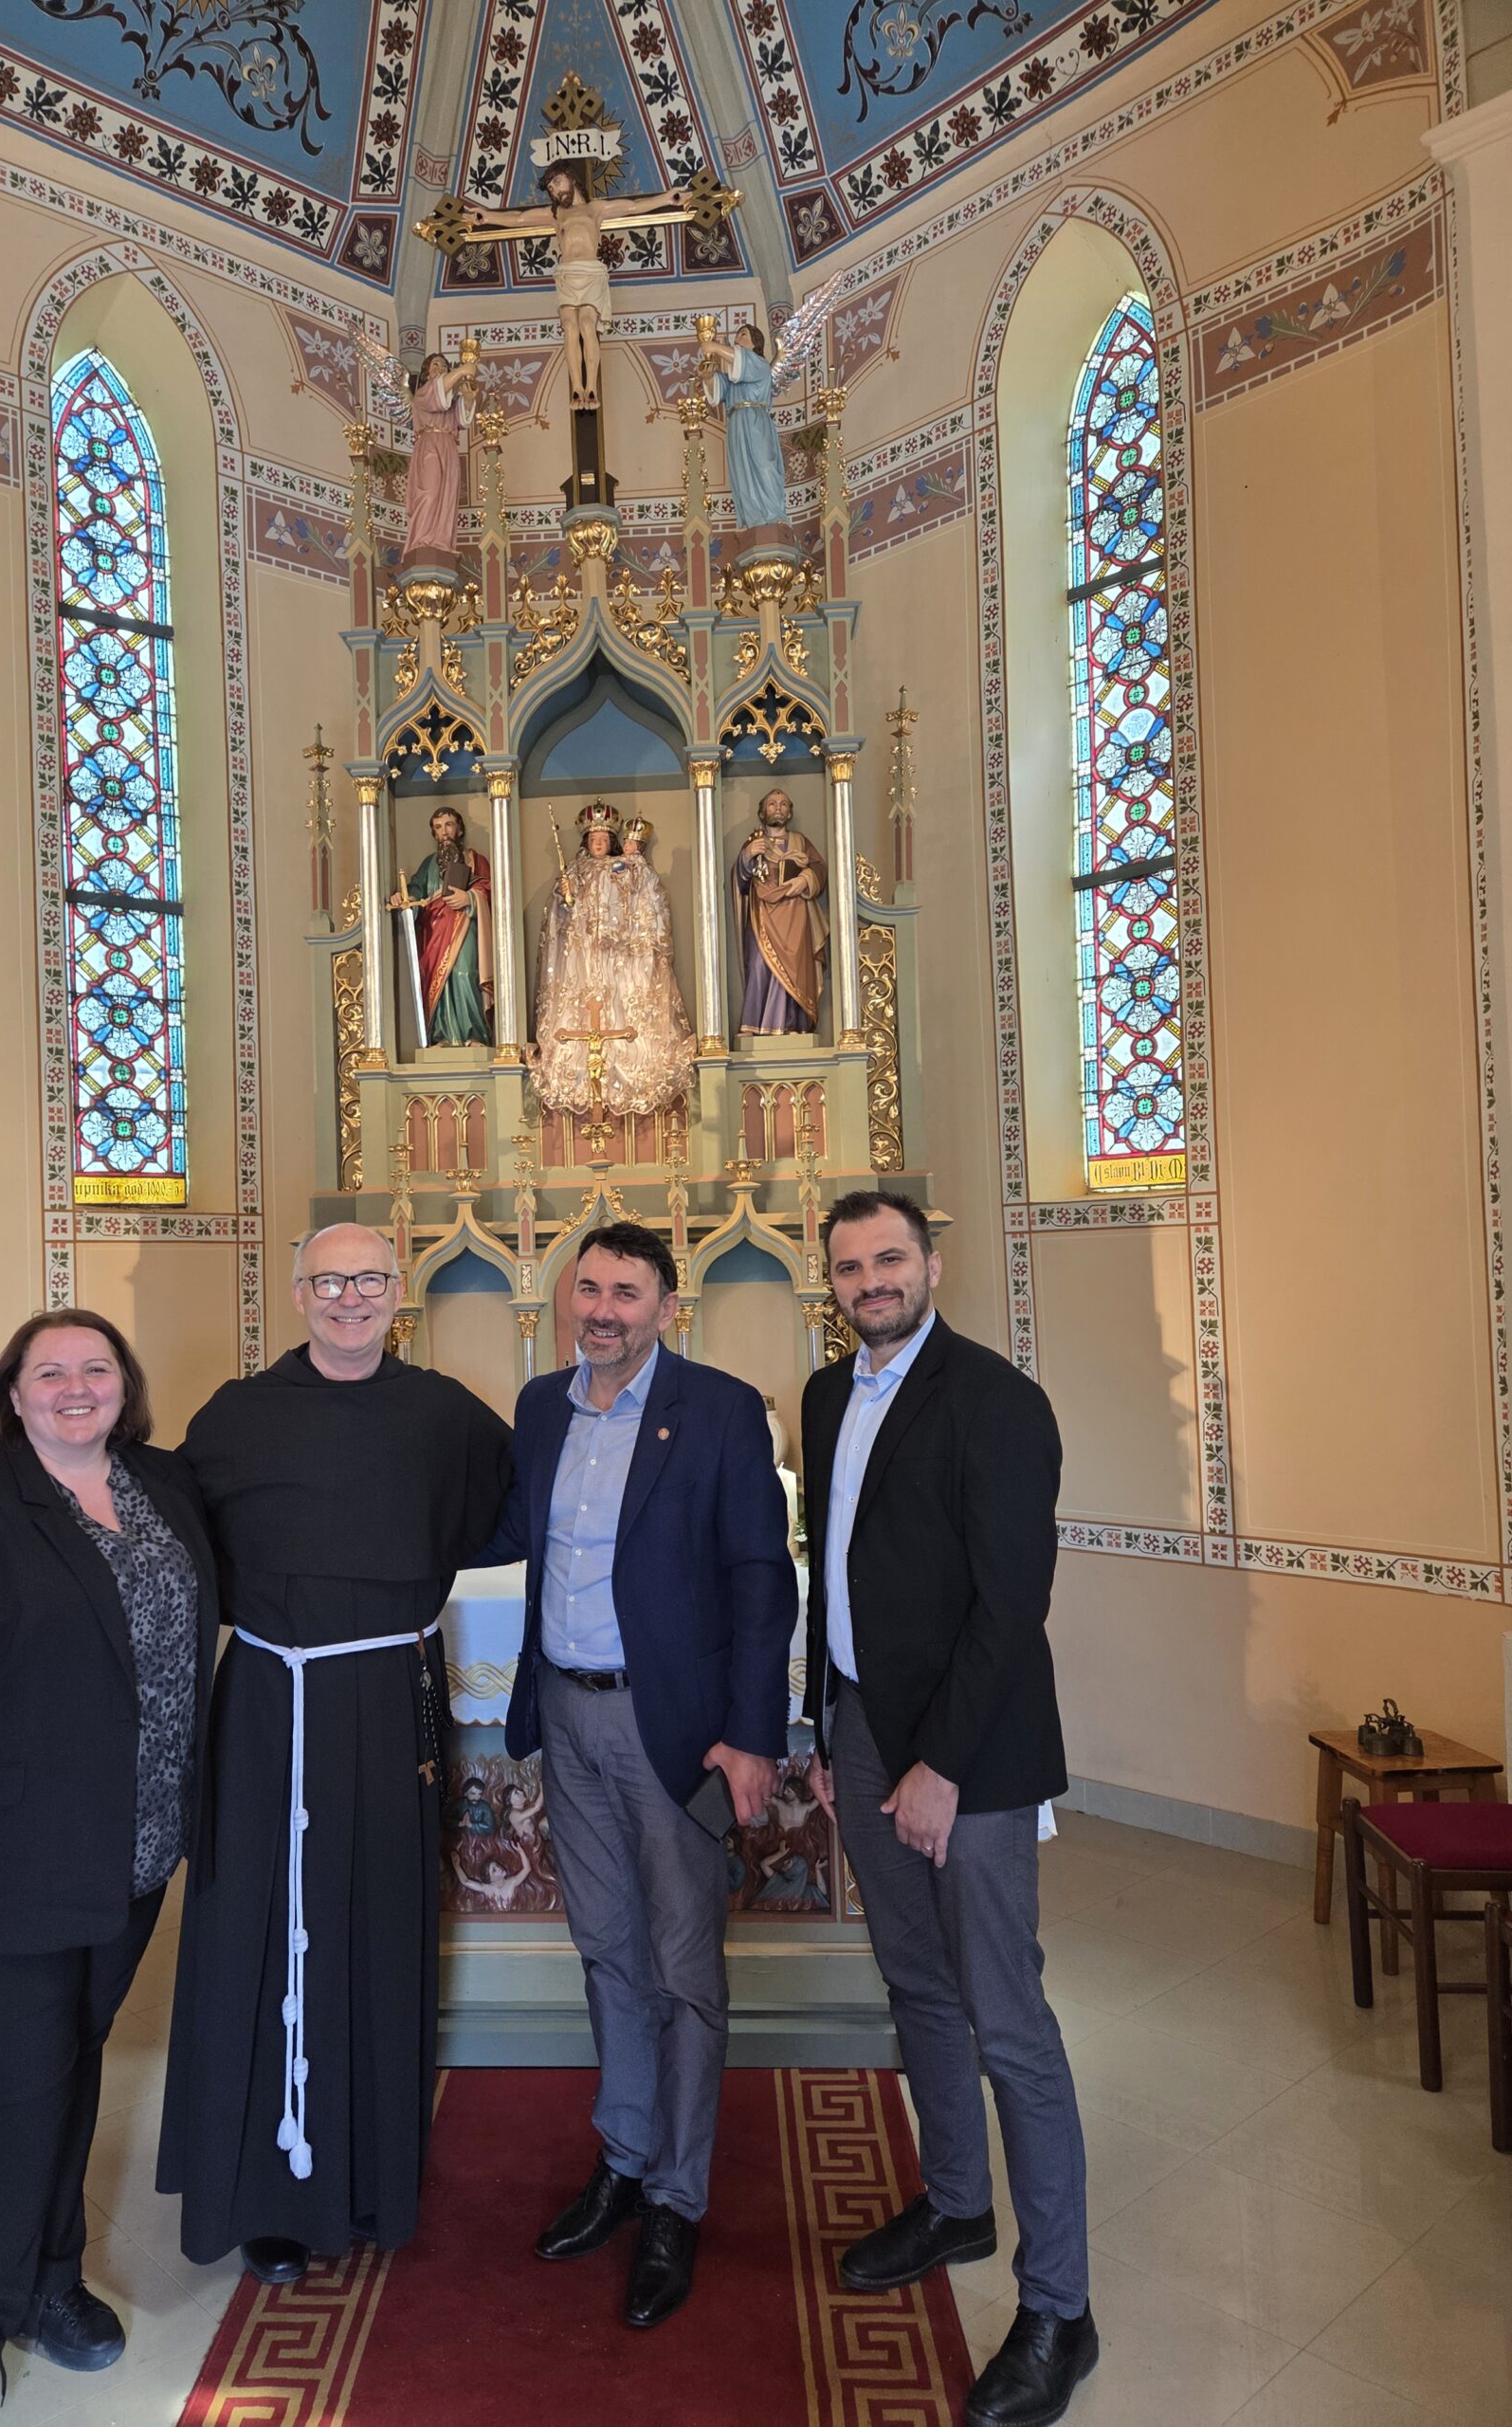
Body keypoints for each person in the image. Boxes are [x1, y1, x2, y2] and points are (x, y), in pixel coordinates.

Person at [0, 1312, 218, 2427]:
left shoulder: (166, 1487)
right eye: (49, 1371)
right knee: (13, 2083)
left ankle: (51, 2279)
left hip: (132, 1851)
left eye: (95, 1368)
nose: (75, 1386)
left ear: (126, 1385)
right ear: (12, 1395)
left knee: (73, 2060)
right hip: (1, 1862)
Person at [156, 1223, 511, 2285]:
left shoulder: (444, 1413)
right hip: (271, 1698)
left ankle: (369, 2177)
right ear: (297, 1292)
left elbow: (506, 1513)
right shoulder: (238, 1413)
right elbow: (178, 1540)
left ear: (398, 1291)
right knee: (257, 1924)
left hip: (389, 1696)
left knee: (375, 1920)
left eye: (367, 1280)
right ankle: (262, 2192)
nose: (349, 1297)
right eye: (328, 1281)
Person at [801, 1193, 1095, 2427]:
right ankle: (959, 2203)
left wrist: (941, 1765)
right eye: (850, 1265)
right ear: (830, 1281)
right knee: (915, 1982)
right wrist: (828, 1726)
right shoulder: (825, 1394)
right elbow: (833, 1572)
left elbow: (1011, 1604)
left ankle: (1060, 2311)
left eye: (890, 1258)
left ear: (931, 1264)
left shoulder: (995, 1400)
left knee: (1008, 2018)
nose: (871, 1279)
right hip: (865, 1727)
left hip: (969, 1753)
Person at [476, 1222, 795, 2327]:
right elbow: (501, 1526)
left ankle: (676, 2197)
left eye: (627, 1292)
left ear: (666, 1306)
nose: (603, 1310)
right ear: (567, 1297)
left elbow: (760, 1578)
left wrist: (751, 1737)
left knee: (682, 1965)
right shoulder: (540, 1407)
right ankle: (623, 2155)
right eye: (590, 1289)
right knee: (606, 1945)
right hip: (567, 1714)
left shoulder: (720, 1409)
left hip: (675, 1727)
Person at [465, 162, 689, 409]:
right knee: (570, 326)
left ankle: (591, 387)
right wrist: (487, 216)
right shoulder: (556, 214)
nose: (555, 191)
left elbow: (633, 207)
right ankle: (577, 387)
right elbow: (519, 219)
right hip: (567, 274)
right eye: (551, 189)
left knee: (586, 324)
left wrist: (667, 198)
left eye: (557, 182)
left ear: (571, 178)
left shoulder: (595, 209)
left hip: (591, 272)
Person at [531, 799, 695, 1118]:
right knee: (580, 1006)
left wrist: (633, 870)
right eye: (593, 839)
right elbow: (560, 918)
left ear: (612, 843)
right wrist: (563, 895)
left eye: (604, 840)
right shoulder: (575, 871)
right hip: (582, 954)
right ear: (586, 842)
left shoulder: (623, 868)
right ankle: (576, 1069)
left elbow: (643, 899)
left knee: (621, 1002)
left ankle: (628, 1061)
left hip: (618, 954)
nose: (598, 844)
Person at [388, 804, 494, 1046]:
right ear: (434, 833)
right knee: (438, 982)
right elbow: (415, 891)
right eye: (438, 827)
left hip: (465, 927)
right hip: (434, 931)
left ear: (459, 829)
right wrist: (403, 898)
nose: (444, 832)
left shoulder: (475, 860)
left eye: (448, 825)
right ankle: (442, 1035)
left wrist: (469, 898)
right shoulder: (428, 865)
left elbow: (489, 889)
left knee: (464, 974)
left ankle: (474, 1034)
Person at [735, 787, 828, 1035]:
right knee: (758, 964)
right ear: (763, 812)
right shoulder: (755, 841)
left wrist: (805, 879)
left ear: (789, 812)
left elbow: (820, 869)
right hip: (762, 913)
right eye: (772, 804)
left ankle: (792, 1024)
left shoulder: (800, 841)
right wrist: (747, 855)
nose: (778, 808)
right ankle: (754, 1024)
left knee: (795, 968)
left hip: (795, 912)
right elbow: (741, 881)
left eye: (783, 804)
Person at [701, 323, 789, 532]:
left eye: (743, 335)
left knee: (764, 465)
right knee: (742, 473)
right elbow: (717, 391)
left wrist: (713, 346)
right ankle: (750, 522)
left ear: (755, 343)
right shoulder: (735, 376)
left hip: (756, 420)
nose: (737, 339)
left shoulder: (760, 364)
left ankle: (774, 515)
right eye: (737, 336)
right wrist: (707, 376)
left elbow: (739, 359)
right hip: (736, 424)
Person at [402, 350, 476, 562]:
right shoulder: (423, 393)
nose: (441, 368)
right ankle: (422, 541)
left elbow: (463, 419)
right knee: (429, 493)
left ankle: (442, 543)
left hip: (449, 447)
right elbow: (438, 393)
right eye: (436, 364)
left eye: (444, 366)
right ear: (427, 372)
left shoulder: (449, 401)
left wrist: (468, 399)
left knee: (447, 497)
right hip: (429, 447)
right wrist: (463, 370)